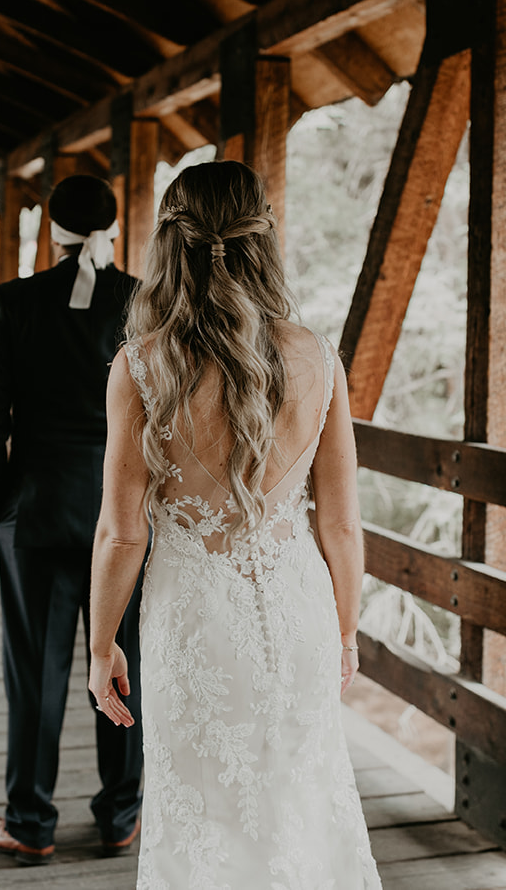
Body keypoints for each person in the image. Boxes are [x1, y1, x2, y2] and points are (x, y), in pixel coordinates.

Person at [87, 161, 380, 887]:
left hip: (194, 624)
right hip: (298, 612)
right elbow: (342, 524)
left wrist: (100, 647)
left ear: (167, 243)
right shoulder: (318, 357)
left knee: (205, 819)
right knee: (300, 806)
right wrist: (345, 628)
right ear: (264, 239)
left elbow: (121, 533)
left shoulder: (141, 367)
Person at [0, 175, 143, 866]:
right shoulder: (140, 301)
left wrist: (1, 502)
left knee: (35, 670)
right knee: (123, 659)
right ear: (112, 225)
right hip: (122, 511)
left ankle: (31, 820)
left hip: (36, 513)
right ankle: (121, 814)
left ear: (52, 226)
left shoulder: (13, 301)